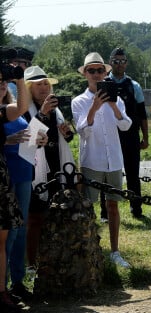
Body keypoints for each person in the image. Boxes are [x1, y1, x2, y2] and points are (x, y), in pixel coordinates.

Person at [72, 52, 132, 268]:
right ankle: (91, 249)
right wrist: (94, 107)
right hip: (92, 161)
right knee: (89, 208)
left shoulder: (117, 98)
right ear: (85, 74)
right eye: (91, 70)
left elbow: (126, 125)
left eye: (100, 70)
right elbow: (82, 131)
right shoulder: (78, 101)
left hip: (114, 160)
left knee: (114, 206)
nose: (96, 74)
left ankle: (115, 251)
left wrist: (113, 105)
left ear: (106, 73)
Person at [5, 67, 51, 302]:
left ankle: (18, 283)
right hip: (7, 180)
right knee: (9, 234)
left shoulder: (15, 113)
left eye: (5, 82)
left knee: (19, 231)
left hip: (24, 176)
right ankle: (3, 289)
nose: (3, 85)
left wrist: (39, 138)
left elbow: (26, 141)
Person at [23, 66, 75, 272]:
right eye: (38, 84)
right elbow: (28, 140)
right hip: (35, 170)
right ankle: (32, 264)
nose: (44, 87)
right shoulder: (24, 110)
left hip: (57, 166)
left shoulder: (57, 109)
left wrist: (67, 133)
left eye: (46, 83)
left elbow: (67, 139)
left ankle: (54, 259)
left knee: (56, 215)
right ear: (29, 88)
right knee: (35, 218)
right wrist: (43, 113)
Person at [0, 62, 34, 313]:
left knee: (1, 243)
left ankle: (2, 301)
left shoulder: (3, 111)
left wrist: (19, 79)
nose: (2, 84)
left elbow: (20, 109)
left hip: (2, 181)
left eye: (3, 81)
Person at [99, 47, 149, 221]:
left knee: (133, 173)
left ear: (126, 63)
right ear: (110, 62)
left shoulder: (134, 86)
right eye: (116, 61)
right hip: (110, 136)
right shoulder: (103, 84)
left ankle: (136, 208)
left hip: (130, 136)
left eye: (122, 61)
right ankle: (105, 212)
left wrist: (145, 137)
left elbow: (142, 114)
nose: (119, 64)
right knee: (107, 174)